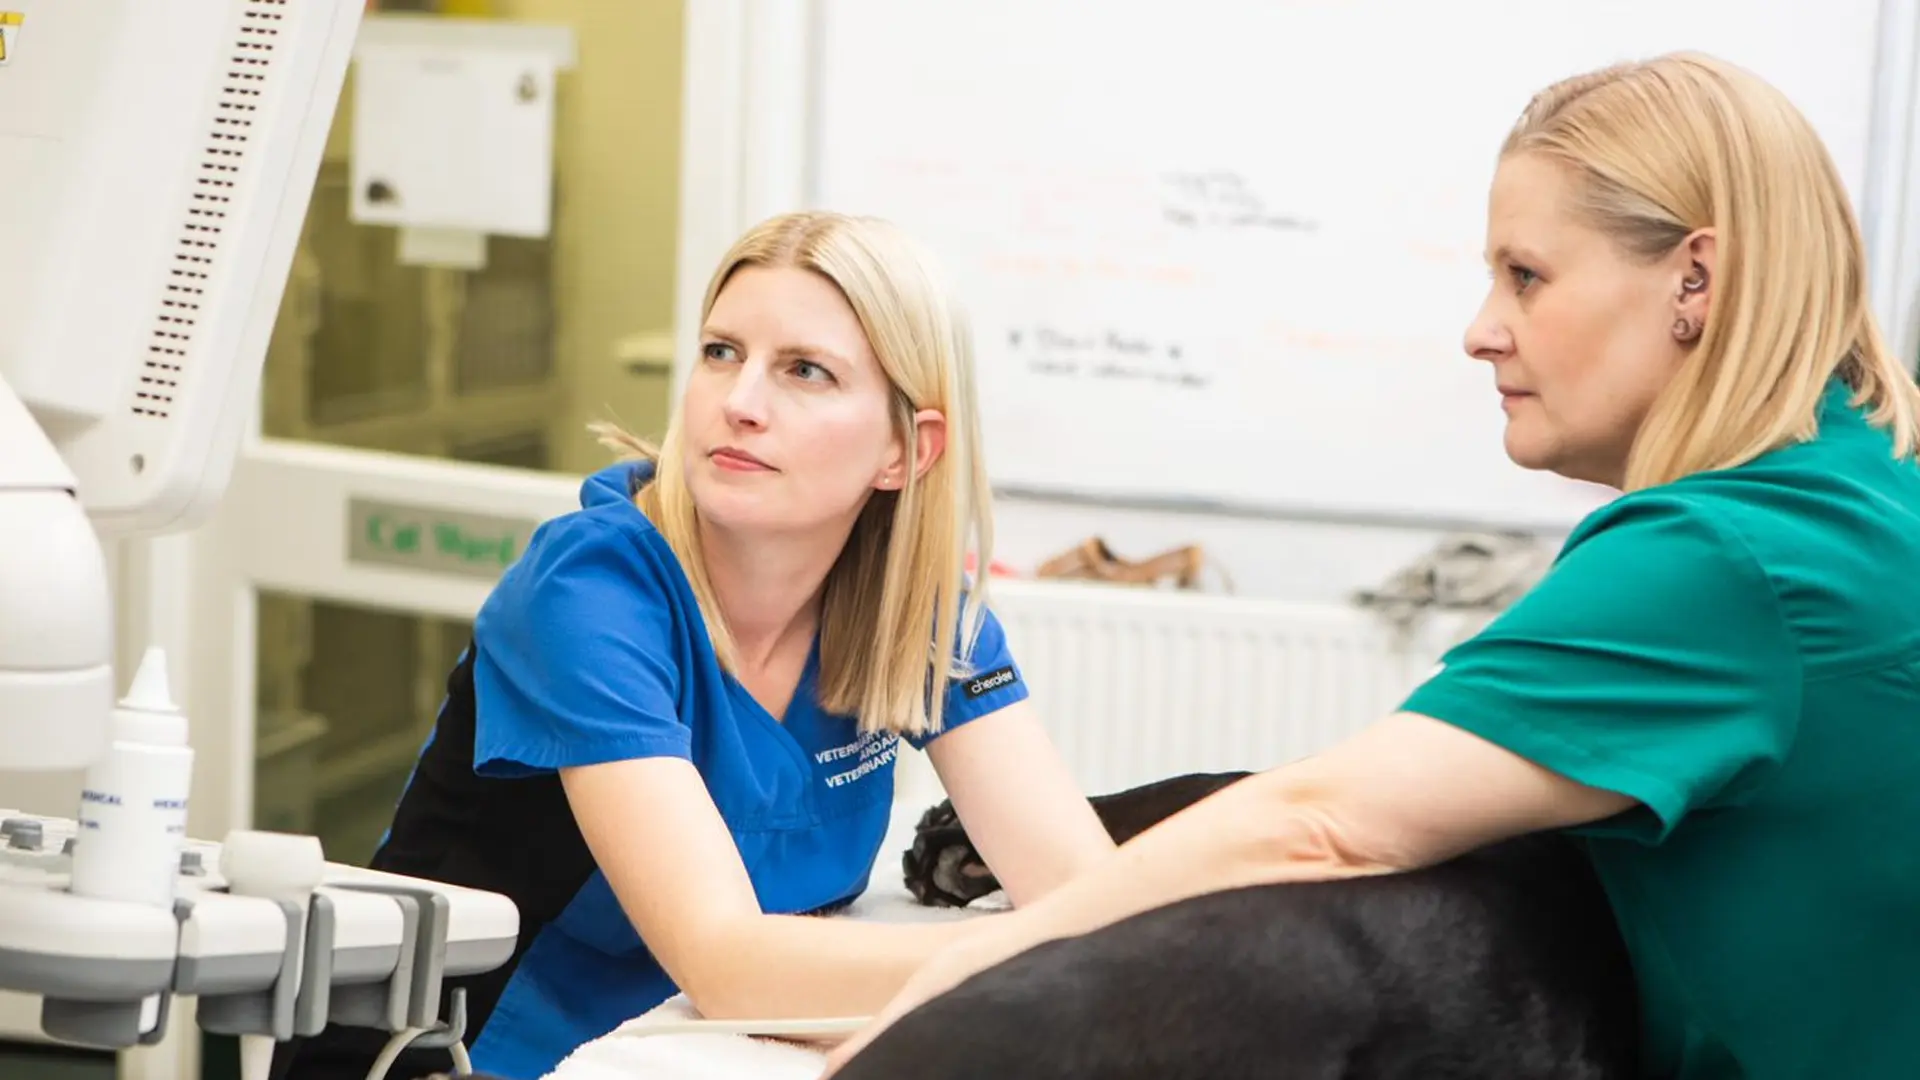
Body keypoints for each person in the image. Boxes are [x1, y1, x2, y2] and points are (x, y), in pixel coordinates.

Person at [825, 51, 1920, 1080]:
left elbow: (1325, 821)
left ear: (1696, 277)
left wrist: (964, 978)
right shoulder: (1868, 486)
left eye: (1527, 276)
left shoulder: (1725, 553)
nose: (1482, 331)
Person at [272, 210, 1116, 1080]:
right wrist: (1048, 953)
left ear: (906, 450)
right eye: (722, 352)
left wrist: (1082, 940)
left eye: (804, 371)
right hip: (462, 1055)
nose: (741, 403)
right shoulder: (590, 591)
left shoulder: (918, 613)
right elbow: (730, 966)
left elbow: (1086, 893)